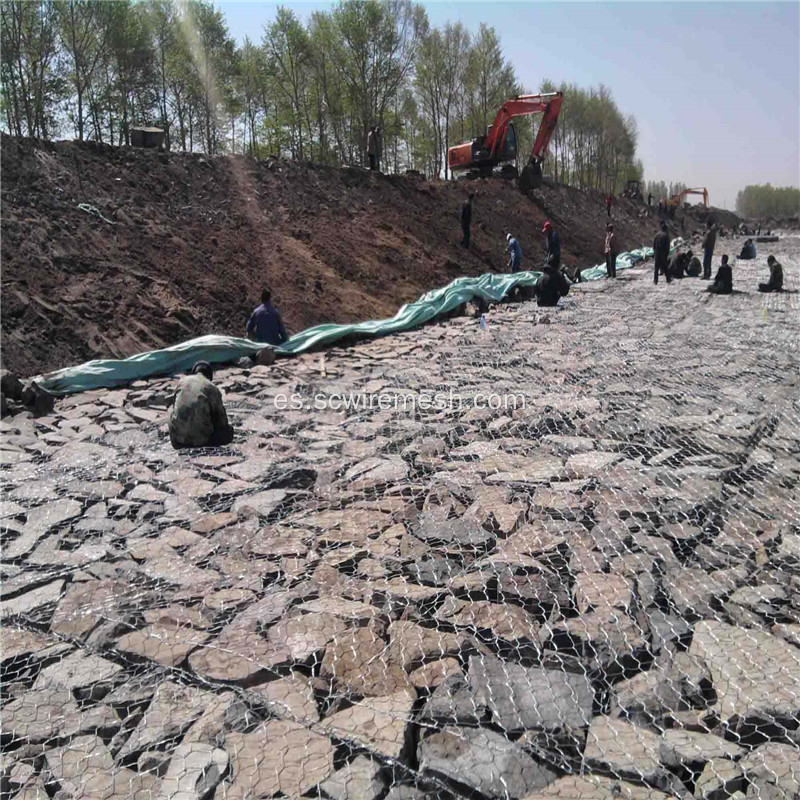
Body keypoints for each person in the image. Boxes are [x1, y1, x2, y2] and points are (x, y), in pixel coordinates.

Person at [168, 362, 233, 449]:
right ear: (209, 376)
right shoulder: (211, 387)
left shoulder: (182, 381)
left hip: (177, 439)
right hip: (201, 441)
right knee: (228, 432)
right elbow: (222, 420)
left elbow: (174, 405)